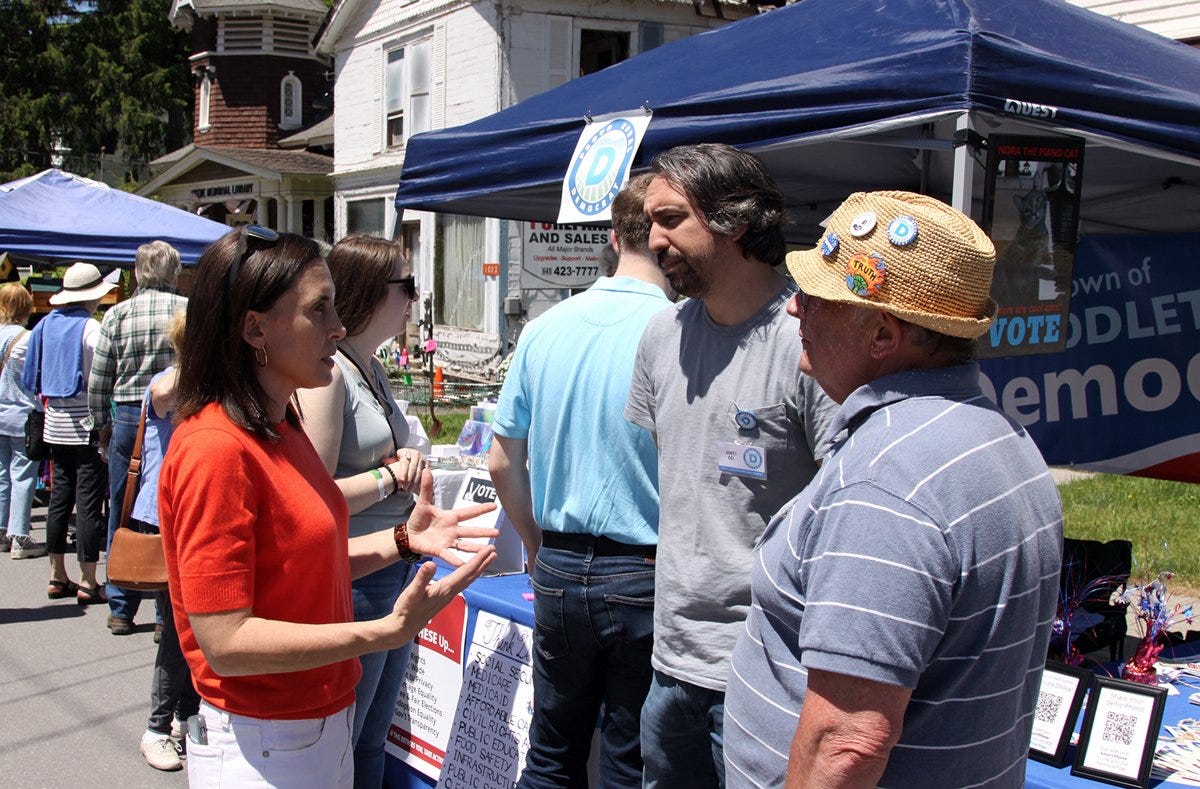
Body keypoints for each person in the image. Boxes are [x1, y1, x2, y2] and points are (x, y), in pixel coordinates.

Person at [723, 191, 1063, 787]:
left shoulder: (886, 480)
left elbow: (847, 743)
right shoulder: (991, 431)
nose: (795, 311)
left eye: (817, 299)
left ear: (882, 335)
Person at [158, 227, 497, 786]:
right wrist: (380, 632)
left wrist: (401, 542)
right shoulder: (215, 447)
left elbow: (302, 562)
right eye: (320, 311)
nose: (338, 329)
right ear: (254, 328)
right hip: (264, 740)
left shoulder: (279, 424)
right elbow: (227, 643)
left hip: (312, 722)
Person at [623, 143, 836, 787]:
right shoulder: (663, 335)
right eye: (650, 222)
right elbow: (681, 480)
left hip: (770, 669)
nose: (652, 239)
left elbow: (843, 504)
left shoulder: (809, 337)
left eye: (670, 219)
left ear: (735, 221)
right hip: (671, 663)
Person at [489, 173, 673, 787]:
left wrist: (539, 547)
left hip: (564, 564)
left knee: (552, 751)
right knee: (628, 757)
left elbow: (501, 460)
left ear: (615, 237)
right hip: (646, 567)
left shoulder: (544, 327)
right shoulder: (681, 332)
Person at [294, 234, 428, 789]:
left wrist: (405, 460)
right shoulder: (331, 378)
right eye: (407, 286)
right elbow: (313, 496)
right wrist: (391, 475)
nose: (414, 300)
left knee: (372, 736)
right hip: (358, 576)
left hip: (391, 562)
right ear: (373, 292)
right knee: (348, 739)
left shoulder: (368, 367)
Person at [88, 240, 188, 636]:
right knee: (167, 509)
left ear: (137, 272)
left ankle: (120, 604)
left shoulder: (117, 314)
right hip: (179, 411)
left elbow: (100, 378)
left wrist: (101, 426)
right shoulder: (187, 310)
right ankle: (165, 611)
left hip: (131, 413)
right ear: (175, 272)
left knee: (124, 506)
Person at [127, 311, 200, 772]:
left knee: (188, 628)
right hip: (165, 518)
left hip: (189, 516)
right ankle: (157, 727)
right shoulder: (168, 380)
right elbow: (162, 395)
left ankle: (183, 716)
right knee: (178, 632)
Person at [23, 262, 115, 604]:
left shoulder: (44, 325)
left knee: (60, 499)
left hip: (53, 422)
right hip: (85, 424)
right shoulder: (90, 328)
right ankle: (88, 580)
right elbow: (99, 380)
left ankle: (55, 574)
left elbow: (29, 377)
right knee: (89, 503)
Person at [0, 283, 45, 559]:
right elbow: (34, 377)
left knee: (1, 474)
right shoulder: (25, 338)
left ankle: (1, 530)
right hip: (21, 414)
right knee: (24, 475)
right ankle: (19, 536)